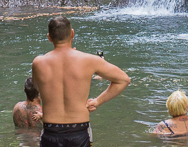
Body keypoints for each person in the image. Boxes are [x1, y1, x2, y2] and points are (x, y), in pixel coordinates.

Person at [32, 16, 131, 147]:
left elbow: (37, 87)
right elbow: (124, 80)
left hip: (51, 131)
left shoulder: (38, 62)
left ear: (49, 37)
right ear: (72, 33)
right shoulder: (89, 60)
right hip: (78, 131)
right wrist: (98, 101)